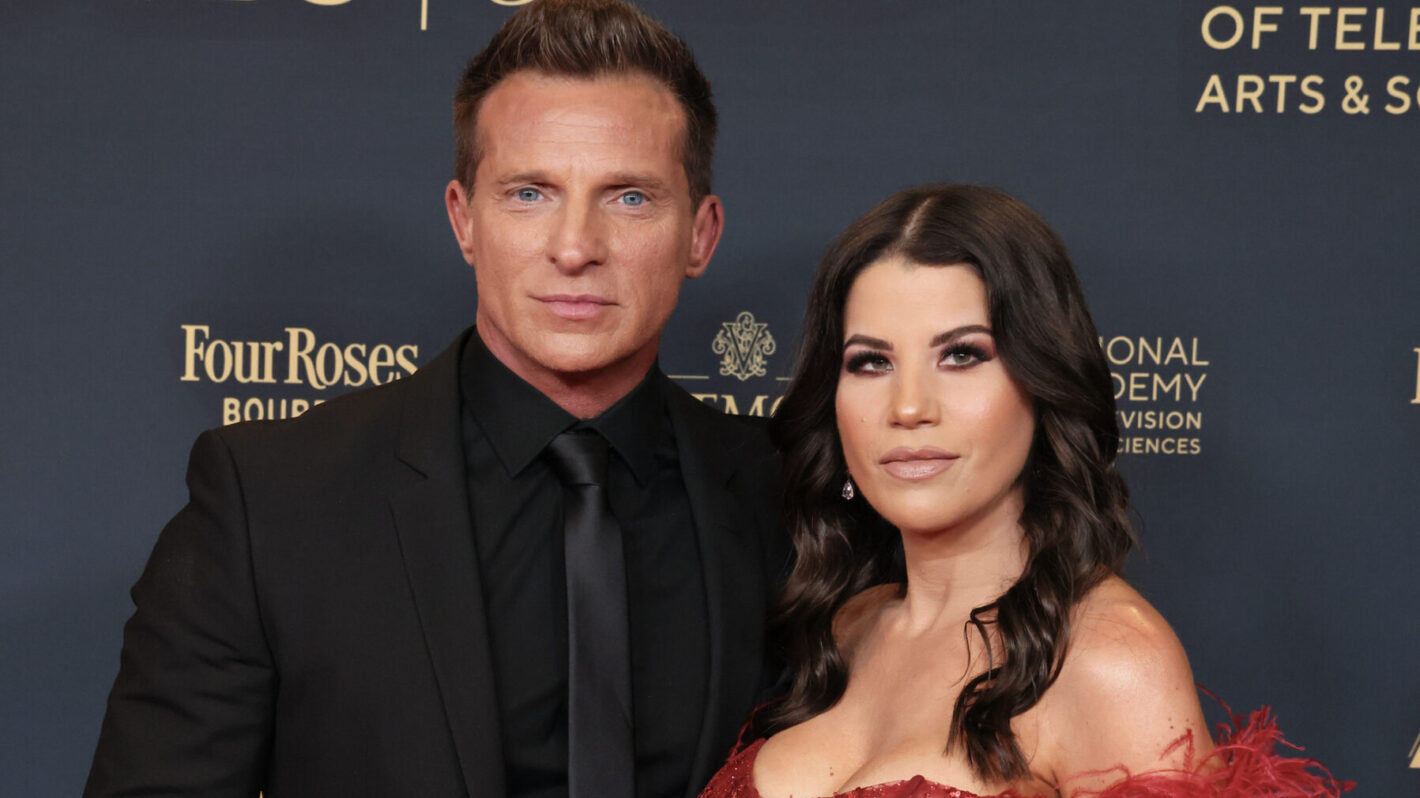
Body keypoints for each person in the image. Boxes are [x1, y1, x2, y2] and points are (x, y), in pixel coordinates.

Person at [84, 2, 787, 797]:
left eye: (630, 197)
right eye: (530, 193)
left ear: (701, 234)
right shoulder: (271, 501)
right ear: (464, 221)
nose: (575, 247)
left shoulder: (788, 498)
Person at [699, 184, 1351, 797]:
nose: (908, 407)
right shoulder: (850, 628)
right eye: (871, 362)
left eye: (961, 355)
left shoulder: (1112, 663)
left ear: (1043, 384)